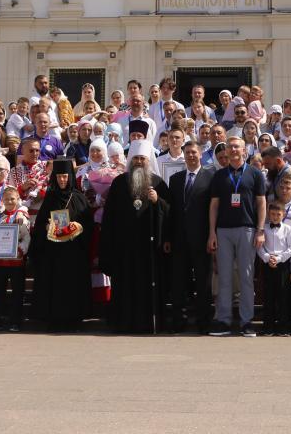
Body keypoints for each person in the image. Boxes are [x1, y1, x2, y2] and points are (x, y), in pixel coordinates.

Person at [100, 141, 170, 333]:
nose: (139, 162)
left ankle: (147, 324)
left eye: (143, 158)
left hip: (149, 248)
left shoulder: (158, 183)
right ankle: (124, 323)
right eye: (136, 158)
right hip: (124, 248)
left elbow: (169, 213)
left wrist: (158, 202)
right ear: (131, 160)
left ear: (148, 161)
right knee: (125, 286)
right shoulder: (119, 183)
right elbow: (109, 217)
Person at [207, 135, 268, 337]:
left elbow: (261, 203)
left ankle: (246, 322)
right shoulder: (219, 176)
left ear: (245, 151)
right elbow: (214, 206)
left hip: (247, 230)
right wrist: (211, 233)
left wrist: (260, 230)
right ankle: (223, 321)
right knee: (224, 277)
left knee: (246, 278)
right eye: (230, 147)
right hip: (223, 231)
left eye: (237, 147)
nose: (233, 150)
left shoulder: (255, 174)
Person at [30, 158, 93, 331]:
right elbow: (41, 224)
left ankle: (74, 319)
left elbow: (87, 223)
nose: (62, 180)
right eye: (58, 177)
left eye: (65, 176)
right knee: (54, 284)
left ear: (70, 177)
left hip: (74, 252)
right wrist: (47, 227)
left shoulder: (79, 198)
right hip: (54, 252)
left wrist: (76, 228)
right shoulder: (50, 198)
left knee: (73, 285)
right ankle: (54, 318)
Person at [166, 140, 216, 333]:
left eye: (194, 152)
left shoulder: (210, 177)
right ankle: (179, 320)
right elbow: (172, 211)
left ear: (200, 154)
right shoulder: (176, 179)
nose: (191, 156)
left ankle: (203, 322)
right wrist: (169, 238)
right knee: (179, 282)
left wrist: (212, 236)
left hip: (202, 239)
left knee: (203, 282)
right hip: (179, 240)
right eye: (187, 153)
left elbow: (214, 209)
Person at [0, 186, 30, 332]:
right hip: (0, 262)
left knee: (17, 293)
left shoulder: (21, 215)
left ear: (17, 199)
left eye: (12, 199)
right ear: (2, 200)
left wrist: (21, 251)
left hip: (16, 262)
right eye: (7, 199)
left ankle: (15, 322)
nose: (10, 201)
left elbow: (26, 237)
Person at [258, 199, 291, 336]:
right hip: (268, 264)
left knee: (283, 295)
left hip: (283, 264)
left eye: (278, 214)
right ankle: (268, 327)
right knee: (269, 296)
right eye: (272, 214)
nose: (275, 217)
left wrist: (279, 259)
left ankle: (283, 327)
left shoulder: (287, 229)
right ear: (268, 214)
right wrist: (268, 258)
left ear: (283, 214)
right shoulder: (264, 229)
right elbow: (259, 247)